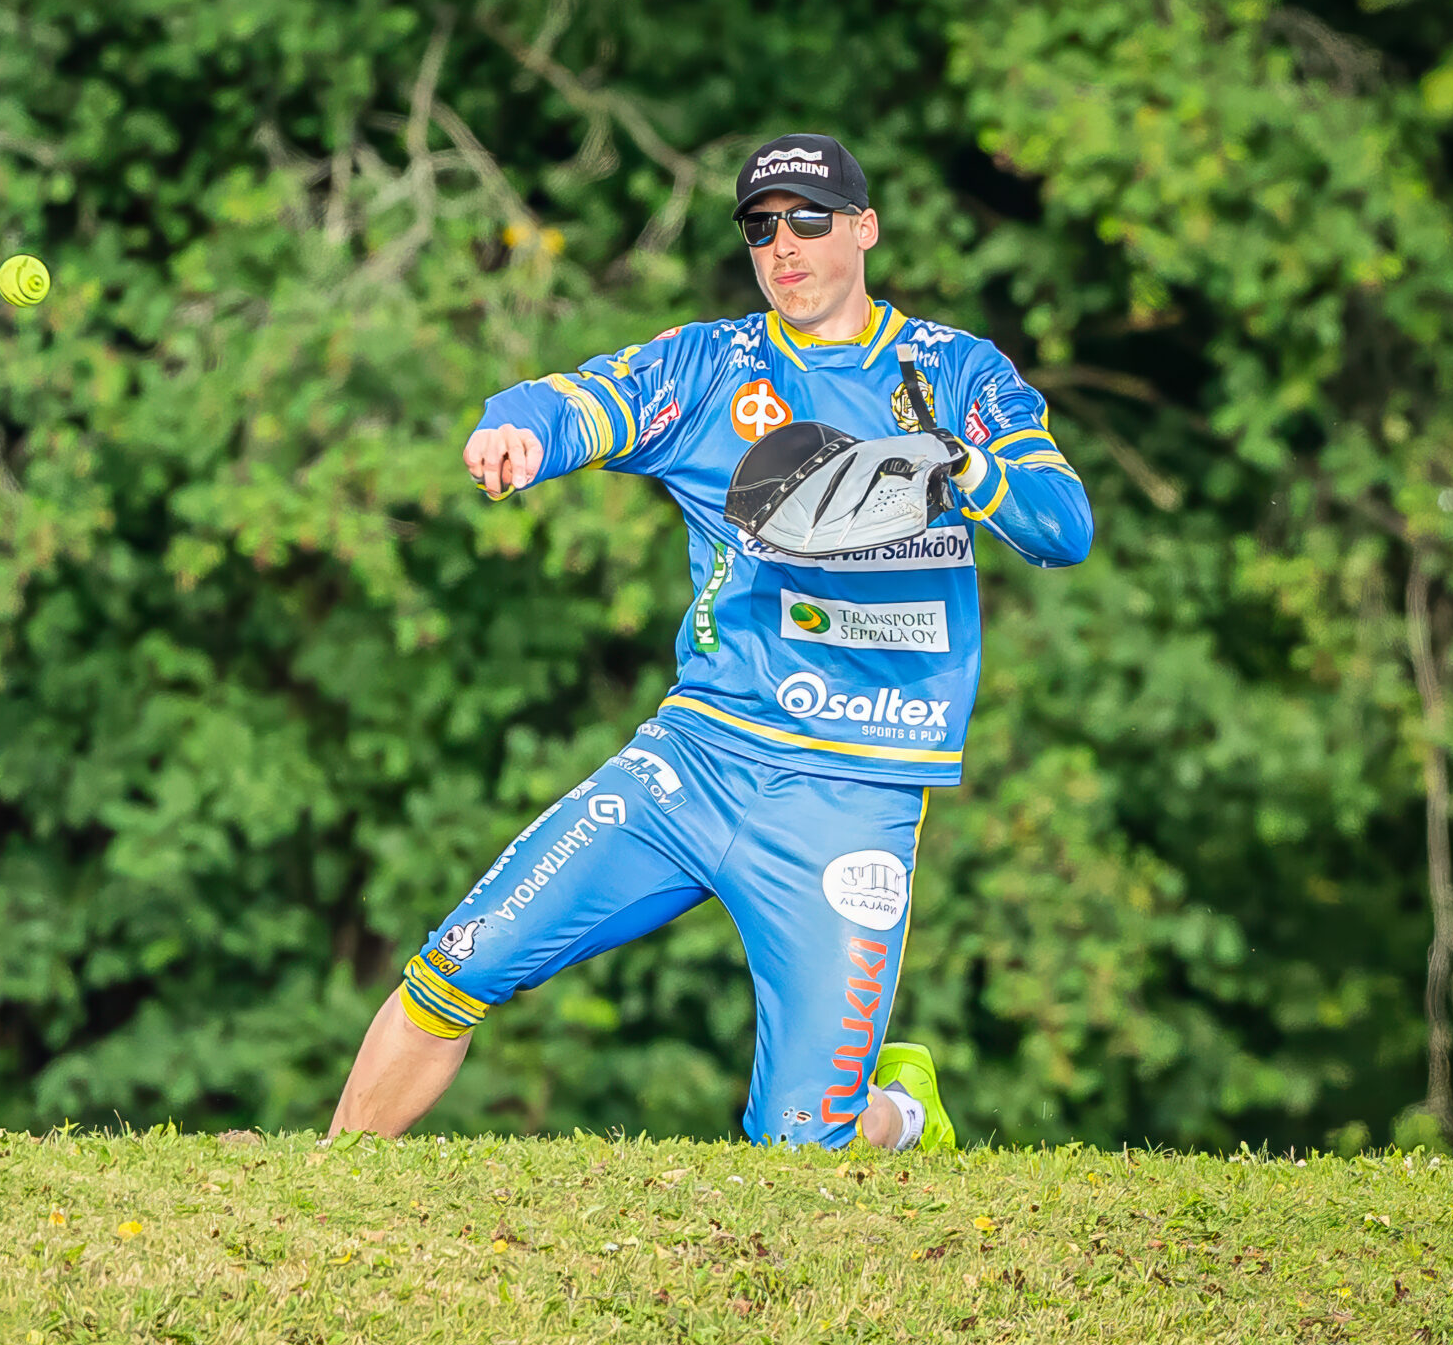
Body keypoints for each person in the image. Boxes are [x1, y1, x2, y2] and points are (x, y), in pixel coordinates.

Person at [328, 133, 1094, 1151]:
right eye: (761, 227)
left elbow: (1063, 528)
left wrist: (960, 465)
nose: (785, 245)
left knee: (799, 1145)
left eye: (809, 219)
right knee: (459, 960)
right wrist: (516, 429)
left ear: (864, 229)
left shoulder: (953, 371)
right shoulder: (712, 364)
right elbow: (580, 400)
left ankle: (902, 1111)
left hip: (850, 795)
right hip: (696, 763)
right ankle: (327, 1184)